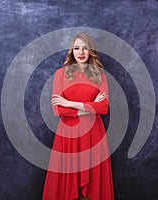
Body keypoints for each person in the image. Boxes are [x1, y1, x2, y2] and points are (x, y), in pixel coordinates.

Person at [42, 32, 114, 200]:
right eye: (76, 48)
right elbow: (58, 110)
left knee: (92, 186)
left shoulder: (100, 75)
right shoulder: (61, 74)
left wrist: (70, 103)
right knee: (67, 183)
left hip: (93, 135)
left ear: (90, 51)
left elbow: (103, 108)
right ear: (71, 51)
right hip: (68, 134)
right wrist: (90, 107)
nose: (80, 52)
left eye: (84, 48)